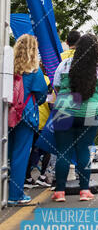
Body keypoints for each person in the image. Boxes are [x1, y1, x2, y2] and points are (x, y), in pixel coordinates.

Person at [51, 34, 98, 202]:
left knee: (63, 151)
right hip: (89, 110)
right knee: (84, 150)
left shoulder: (64, 64)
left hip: (64, 108)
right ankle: (84, 191)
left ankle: (60, 192)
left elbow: (57, 87)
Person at [8, 35, 48, 206]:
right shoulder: (35, 71)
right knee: (20, 155)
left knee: (6, 154)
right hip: (25, 116)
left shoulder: (8, 68)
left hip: (6, 115)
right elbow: (41, 97)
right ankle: (15, 195)